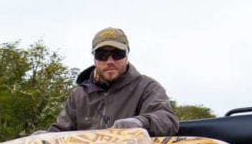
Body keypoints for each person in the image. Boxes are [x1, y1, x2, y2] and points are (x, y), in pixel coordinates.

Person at [44, 27, 179, 137]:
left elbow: (168, 120)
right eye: (102, 55)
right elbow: (60, 132)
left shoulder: (147, 87)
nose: (110, 61)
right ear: (94, 59)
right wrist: (39, 138)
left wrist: (140, 122)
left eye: (117, 54)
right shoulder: (79, 95)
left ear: (127, 55)